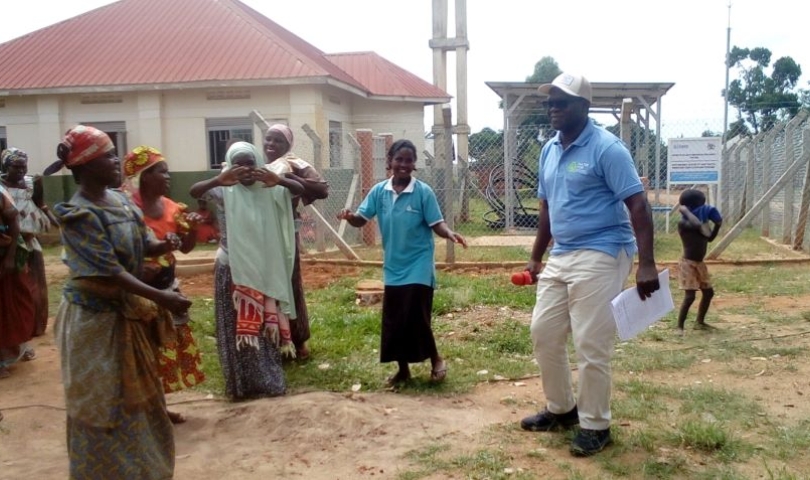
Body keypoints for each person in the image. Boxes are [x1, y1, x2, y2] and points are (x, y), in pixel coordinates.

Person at [518, 73, 660, 457]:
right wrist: (536, 256)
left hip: (604, 249)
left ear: (584, 106)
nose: (553, 108)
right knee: (543, 332)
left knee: (590, 341)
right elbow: (547, 208)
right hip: (563, 253)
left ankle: (596, 424)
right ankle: (562, 409)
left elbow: (638, 205)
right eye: (550, 102)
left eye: (562, 102)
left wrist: (646, 263)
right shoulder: (550, 149)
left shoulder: (606, 149)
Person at [50, 125, 191, 479]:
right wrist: (162, 298)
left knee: (142, 400)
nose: (117, 161)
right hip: (94, 324)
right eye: (108, 156)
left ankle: (145, 470)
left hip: (124, 317)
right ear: (85, 166)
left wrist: (166, 244)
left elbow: (142, 243)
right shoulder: (79, 214)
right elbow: (108, 271)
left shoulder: (120, 202)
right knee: (100, 403)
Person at [337, 139, 467, 386]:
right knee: (395, 318)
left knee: (417, 315)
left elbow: (436, 223)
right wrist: (350, 216)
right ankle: (403, 370)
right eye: (399, 159)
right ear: (390, 162)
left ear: (414, 164)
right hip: (394, 265)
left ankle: (436, 359)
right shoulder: (379, 192)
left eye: (409, 160)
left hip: (418, 263)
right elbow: (360, 220)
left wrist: (449, 233)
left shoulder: (423, 192)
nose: (404, 165)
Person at [189, 141, 303, 400]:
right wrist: (219, 179)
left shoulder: (269, 187)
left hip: (264, 268)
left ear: (259, 165)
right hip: (233, 269)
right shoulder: (224, 190)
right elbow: (194, 191)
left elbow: (300, 189)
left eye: (250, 163)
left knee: (264, 329)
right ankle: (241, 386)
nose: (245, 170)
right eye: (238, 164)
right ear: (230, 166)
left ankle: (269, 382)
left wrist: (280, 180)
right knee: (236, 328)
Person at [122, 145, 206, 424]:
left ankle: (158, 406)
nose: (168, 177)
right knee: (139, 349)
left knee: (163, 348)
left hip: (167, 287)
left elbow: (185, 249)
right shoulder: (127, 209)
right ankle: (140, 407)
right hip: (138, 290)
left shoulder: (172, 208)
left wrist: (191, 230)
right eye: (162, 172)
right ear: (145, 176)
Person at [263, 124, 329, 360]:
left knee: (290, 283)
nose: (271, 145)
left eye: (277, 141)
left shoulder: (295, 164)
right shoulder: (258, 165)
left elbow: (322, 189)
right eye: (268, 139)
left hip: (285, 232)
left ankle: (298, 340)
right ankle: (271, 339)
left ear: (288, 145)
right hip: (261, 234)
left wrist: (286, 178)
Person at [1, 148, 57, 340]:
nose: (20, 171)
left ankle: (36, 326)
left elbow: (41, 204)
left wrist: (55, 221)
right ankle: (20, 329)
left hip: (30, 240)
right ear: (6, 166)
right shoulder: (1, 186)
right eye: (16, 167)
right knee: (19, 287)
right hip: (10, 243)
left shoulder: (32, 183)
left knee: (36, 286)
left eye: (23, 167)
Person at [0, 182, 35, 379]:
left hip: (5, 254)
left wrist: (10, 257)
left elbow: (13, 223)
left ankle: (12, 352)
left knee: (10, 306)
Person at [676, 189, 723, 333]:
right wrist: (685, 212)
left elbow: (709, 237)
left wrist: (717, 224)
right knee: (690, 296)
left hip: (699, 263)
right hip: (687, 264)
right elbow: (696, 225)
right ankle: (679, 326)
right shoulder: (683, 222)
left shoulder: (702, 222)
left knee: (708, 293)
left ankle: (700, 322)